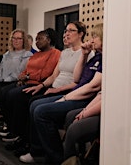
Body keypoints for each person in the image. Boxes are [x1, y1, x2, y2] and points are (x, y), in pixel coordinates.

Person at [20, 23, 104, 164]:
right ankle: (38, 150)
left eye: (95, 36)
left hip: (81, 96)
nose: (92, 39)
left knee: (41, 111)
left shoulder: (101, 57)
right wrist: (84, 55)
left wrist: (64, 96)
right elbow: (78, 78)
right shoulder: (92, 56)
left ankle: (55, 157)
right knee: (34, 104)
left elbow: (92, 86)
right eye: (65, 31)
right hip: (74, 92)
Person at [4, 21, 89, 155]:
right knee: (26, 98)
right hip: (54, 87)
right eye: (65, 30)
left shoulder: (85, 53)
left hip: (68, 90)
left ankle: (38, 149)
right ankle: (28, 141)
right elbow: (54, 75)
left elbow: (78, 81)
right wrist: (41, 86)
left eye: (71, 30)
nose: (66, 33)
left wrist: (56, 89)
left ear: (81, 34)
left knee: (34, 105)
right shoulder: (65, 53)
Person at [62, 55, 131, 164]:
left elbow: (116, 98)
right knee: (71, 116)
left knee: (74, 130)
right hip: (115, 107)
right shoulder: (124, 58)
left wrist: (85, 114)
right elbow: (105, 93)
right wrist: (85, 111)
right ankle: (80, 157)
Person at [0, 28, 61, 141]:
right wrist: (23, 76)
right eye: (36, 39)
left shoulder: (55, 53)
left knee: (14, 96)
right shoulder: (36, 55)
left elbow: (45, 73)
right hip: (28, 82)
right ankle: (11, 127)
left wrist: (27, 77)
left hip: (39, 85)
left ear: (49, 40)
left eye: (40, 39)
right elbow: (26, 70)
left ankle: (18, 132)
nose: (37, 42)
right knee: (3, 93)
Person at [0, 29, 33, 126]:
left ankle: (3, 117)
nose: (16, 41)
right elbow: (1, 69)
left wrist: (6, 80)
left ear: (23, 40)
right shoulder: (7, 54)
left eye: (19, 38)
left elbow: (20, 72)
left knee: (4, 92)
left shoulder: (27, 55)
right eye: (14, 38)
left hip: (15, 81)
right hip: (3, 80)